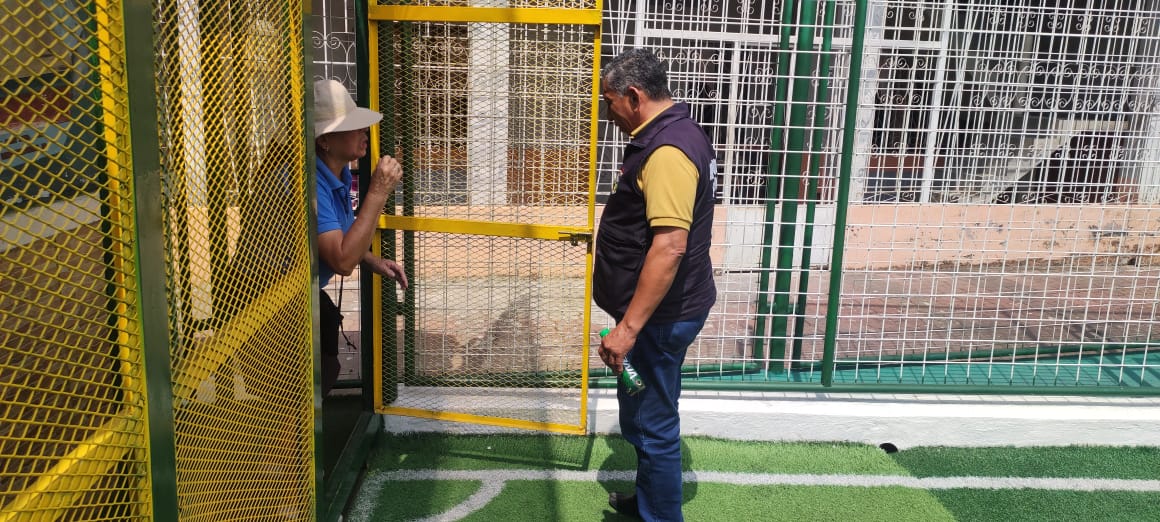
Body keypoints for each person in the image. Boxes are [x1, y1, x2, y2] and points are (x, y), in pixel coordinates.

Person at [594, 49, 717, 521]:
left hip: (659, 319)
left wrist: (628, 329)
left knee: (651, 424)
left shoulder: (667, 152)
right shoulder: (675, 134)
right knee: (648, 414)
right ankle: (649, 502)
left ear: (634, 95)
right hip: (663, 313)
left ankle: (660, 515)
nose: (608, 113)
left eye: (610, 101)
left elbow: (669, 248)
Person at [313, 79, 408, 396]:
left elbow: (336, 233)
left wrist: (371, 260)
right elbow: (341, 260)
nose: (364, 132)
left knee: (327, 366)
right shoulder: (308, 181)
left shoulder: (335, 172)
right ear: (325, 140)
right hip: (271, 306)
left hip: (302, 294)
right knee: (313, 380)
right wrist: (378, 191)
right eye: (352, 127)